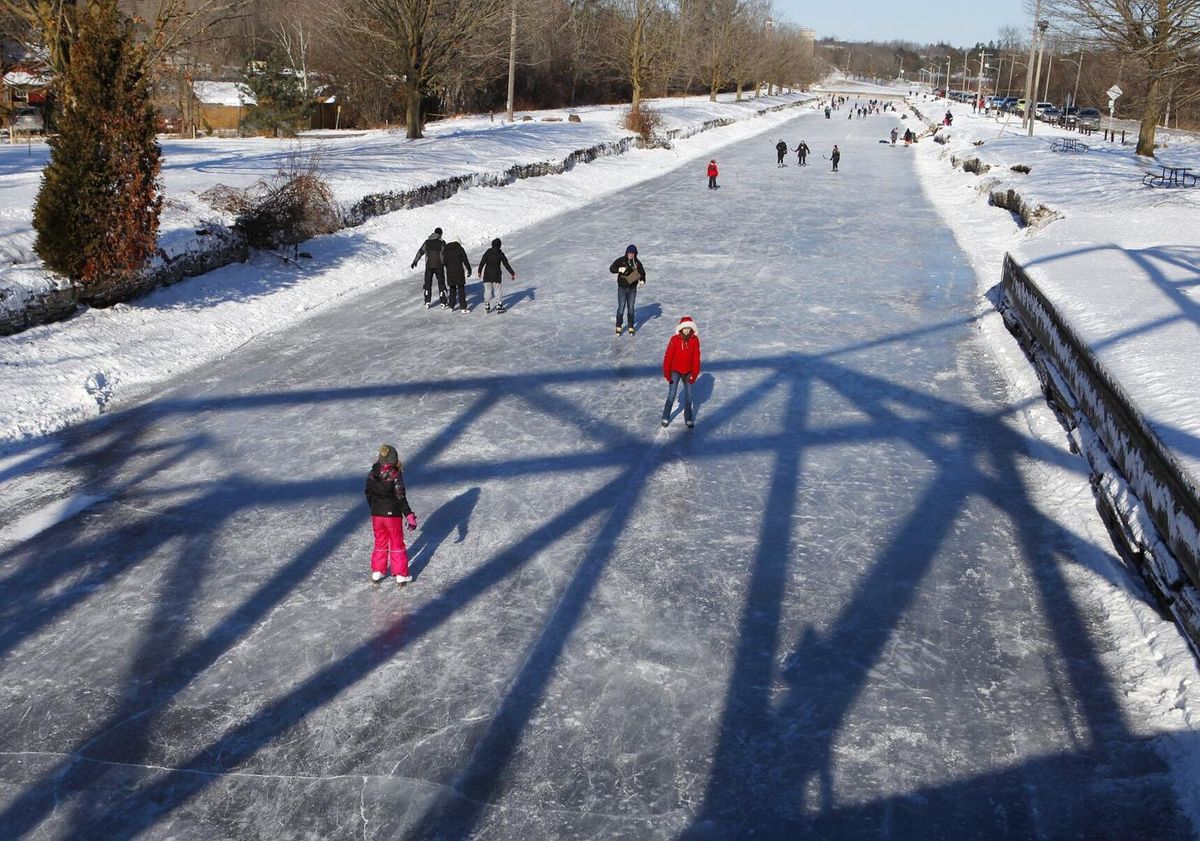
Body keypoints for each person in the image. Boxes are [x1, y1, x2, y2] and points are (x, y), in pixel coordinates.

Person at [365, 445, 418, 585]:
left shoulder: (372, 472)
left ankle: (377, 572)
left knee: (380, 541)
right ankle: (401, 575)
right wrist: (409, 515)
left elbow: (368, 492)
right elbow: (400, 496)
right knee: (396, 543)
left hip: (377, 514)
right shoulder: (395, 474)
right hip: (392, 515)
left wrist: (375, 508)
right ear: (394, 459)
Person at [661, 316, 701, 429]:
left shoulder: (694, 340)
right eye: (685, 328)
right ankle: (666, 416)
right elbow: (668, 356)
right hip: (675, 370)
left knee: (688, 396)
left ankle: (688, 418)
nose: (687, 330)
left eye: (689, 328)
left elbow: (696, 357)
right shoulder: (675, 339)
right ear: (681, 329)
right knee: (671, 394)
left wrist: (695, 374)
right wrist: (667, 373)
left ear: (691, 329)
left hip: (688, 371)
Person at [610, 244, 646, 335]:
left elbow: (642, 273)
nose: (631, 255)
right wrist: (619, 269)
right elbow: (611, 268)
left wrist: (642, 281)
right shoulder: (621, 260)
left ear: (635, 254)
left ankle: (630, 326)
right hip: (622, 288)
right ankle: (618, 326)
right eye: (629, 253)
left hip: (632, 289)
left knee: (631, 308)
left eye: (632, 253)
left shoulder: (637, 263)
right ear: (626, 253)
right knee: (621, 308)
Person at [411, 227, 447, 308]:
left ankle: (427, 301)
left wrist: (415, 261)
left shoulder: (427, 242)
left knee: (428, 283)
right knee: (441, 284)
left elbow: (420, 251)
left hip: (429, 266)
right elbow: (446, 253)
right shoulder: (442, 242)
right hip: (439, 266)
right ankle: (443, 302)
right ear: (440, 234)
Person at [477, 237, 516, 312]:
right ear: (499, 246)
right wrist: (512, 273)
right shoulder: (500, 254)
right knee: (497, 290)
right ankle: (498, 305)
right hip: (496, 275)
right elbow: (506, 264)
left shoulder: (487, 252)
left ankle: (487, 303)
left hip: (487, 274)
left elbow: (482, 262)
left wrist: (479, 271)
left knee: (487, 290)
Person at [442, 235, 472, 313]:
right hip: (459, 272)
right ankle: (463, 307)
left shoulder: (446, 249)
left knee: (452, 289)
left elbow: (444, 261)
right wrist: (469, 270)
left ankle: (451, 306)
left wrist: (448, 268)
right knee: (461, 289)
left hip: (450, 272)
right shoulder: (460, 249)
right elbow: (465, 260)